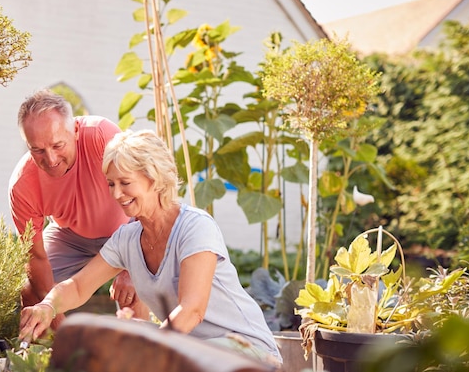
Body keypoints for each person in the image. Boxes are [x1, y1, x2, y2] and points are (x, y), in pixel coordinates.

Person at [19, 129, 283, 364]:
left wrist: (148, 352)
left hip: (248, 353)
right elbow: (78, 286)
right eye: (111, 184)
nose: (116, 194)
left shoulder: (195, 227)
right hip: (191, 350)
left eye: (125, 183)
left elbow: (192, 309)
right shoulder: (129, 239)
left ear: (154, 179)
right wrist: (48, 306)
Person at [9, 89, 146, 325]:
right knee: (30, 292)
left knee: (132, 292)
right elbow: (37, 258)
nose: (50, 160)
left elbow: (141, 194)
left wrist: (132, 268)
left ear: (75, 130)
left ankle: (140, 357)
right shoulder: (23, 185)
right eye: (37, 150)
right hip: (70, 236)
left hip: (126, 229)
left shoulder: (103, 137)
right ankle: (49, 358)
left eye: (57, 145)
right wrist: (57, 325)